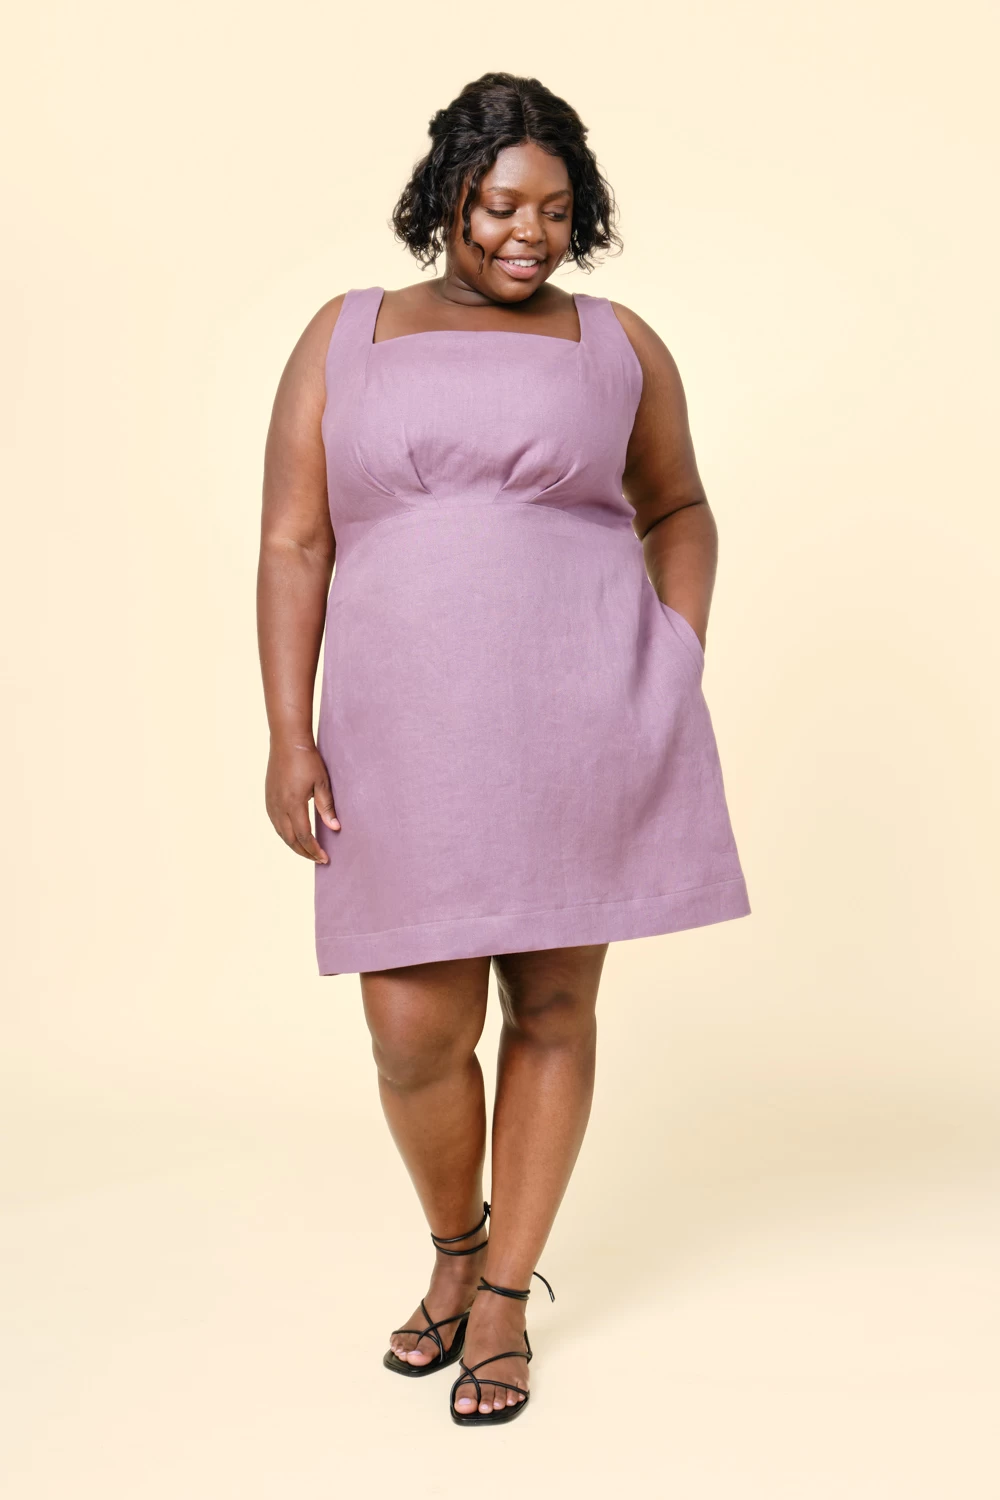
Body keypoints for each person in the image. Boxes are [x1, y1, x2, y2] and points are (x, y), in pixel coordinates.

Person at [257, 71, 751, 1427]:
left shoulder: (617, 341)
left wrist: (677, 649)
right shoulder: (346, 332)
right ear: (447, 199)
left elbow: (680, 506)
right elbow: (295, 540)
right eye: (498, 205)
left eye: (555, 208)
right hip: (403, 736)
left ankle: (504, 1297)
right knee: (414, 1034)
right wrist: (288, 732)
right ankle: (456, 1249)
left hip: (582, 720)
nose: (528, 233)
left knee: (554, 1010)